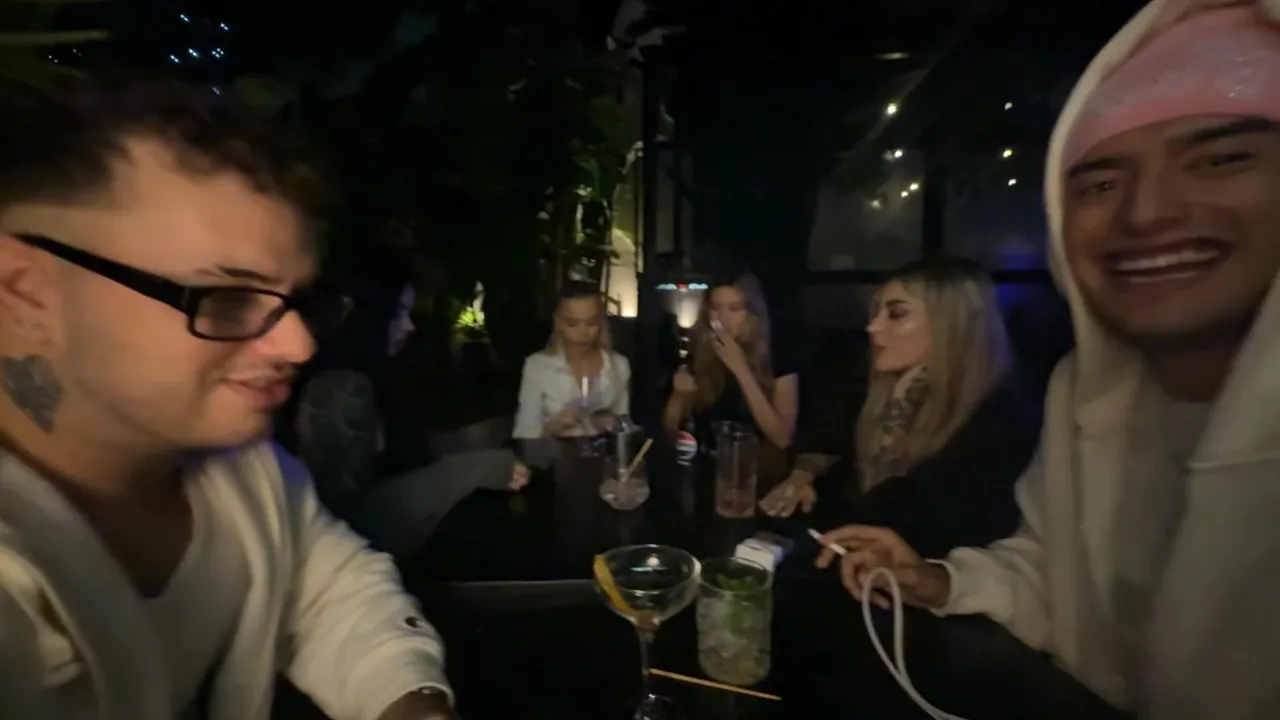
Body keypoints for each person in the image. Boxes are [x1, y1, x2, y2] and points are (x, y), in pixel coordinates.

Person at [816, 1, 1280, 717]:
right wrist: (939, 580)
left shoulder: (1004, 418)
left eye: (1221, 159)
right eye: (1101, 182)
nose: (1145, 212)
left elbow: (895, 502)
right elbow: (1052, 573)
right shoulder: (1081, 394)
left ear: (954, 326)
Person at [0, 77, 457, 718]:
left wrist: (409, 699)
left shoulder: (248, 472)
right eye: (227, 298)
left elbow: (327, 586)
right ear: (27, 294)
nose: (299, 344)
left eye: (298, 300)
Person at [761, 258, 1038, 559]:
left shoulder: (1000, 421)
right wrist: (804, 475)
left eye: (896, 314)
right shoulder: (874, 386)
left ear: (952, 326)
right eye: (876, 312)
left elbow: (908, 519)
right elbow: (829, 445)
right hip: (850, 559)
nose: (872, 327)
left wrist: (898, 409)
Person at [290, 265, 529, 560]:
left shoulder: (377, 375)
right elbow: (347, 522)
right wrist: (471, 471)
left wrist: (491, 437)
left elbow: (407, 454)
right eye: (400, 313)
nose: (409, 326)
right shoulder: (338, 392)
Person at [662, 271, 800, 450]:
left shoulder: (778, 353)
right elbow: (671, 431)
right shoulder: (700, 349)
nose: (722, 318)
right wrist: (678, 396)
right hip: (708, 458)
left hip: (755, 462)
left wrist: (740, 368)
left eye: (734, 309)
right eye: (715, 308)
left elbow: (782, 438)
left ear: (752, 314)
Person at [513, 282, 631, 439]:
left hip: (602, 452)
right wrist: (553, 427)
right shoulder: (537, 366)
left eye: (591, 323)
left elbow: (625, 427)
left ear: (601, 322)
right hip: (553, 453)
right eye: (572, 324)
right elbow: (522, 433)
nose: (583, 332)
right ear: (558, 322)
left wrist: (612, 422)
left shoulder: (618, 365)